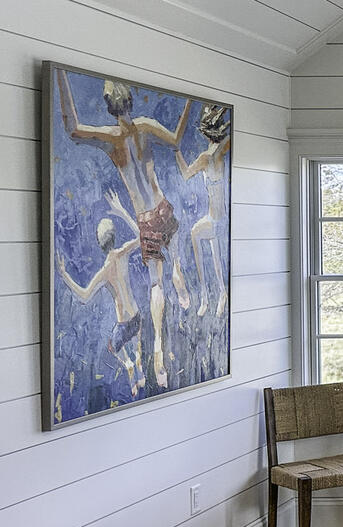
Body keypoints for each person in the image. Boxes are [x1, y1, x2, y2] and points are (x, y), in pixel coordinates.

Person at [57, 71, 192, 388]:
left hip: (145, 218)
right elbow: (174, 140)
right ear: (129, 101)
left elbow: (73, 129)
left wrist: (62, 79)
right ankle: (181, 278)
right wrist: (188, 102)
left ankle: (157, 345)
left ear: (108, 105)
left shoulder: (111, 139)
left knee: (155, 284)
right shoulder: (144, 126)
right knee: (177, 248)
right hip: (162, 206)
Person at [56, 192, 144, 397]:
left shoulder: (104, 272)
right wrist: (122, 211)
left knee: (114, 346)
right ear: (114, 236)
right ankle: (138, 359)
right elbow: (142, 236)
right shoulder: (123, 253)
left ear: (99, 243)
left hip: (122, 325)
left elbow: (84, 296)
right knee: (136, 338)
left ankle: (129, 363)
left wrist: (65, 274)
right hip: (136, 317)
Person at [176, 103, 231, 317]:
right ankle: (221, 293)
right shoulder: (220, 152)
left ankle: (206, 296)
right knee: (216, 256)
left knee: (194, 234)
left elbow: (186, 173)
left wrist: (176, 150)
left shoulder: (207, 157)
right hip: (220, 218)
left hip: (215, 220)